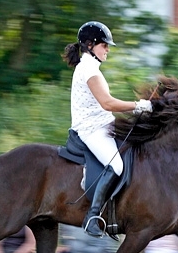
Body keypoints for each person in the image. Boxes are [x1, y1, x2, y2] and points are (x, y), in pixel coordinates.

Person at [63, 21, 153, 238]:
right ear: (91, 45)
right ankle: (92, 216)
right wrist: (139, 105)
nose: (108, 50)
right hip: (91, 128)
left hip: (103, 124)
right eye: (105, 45)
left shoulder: (91, 67)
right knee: (116, 165)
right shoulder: (88, 69)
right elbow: (108, 103)